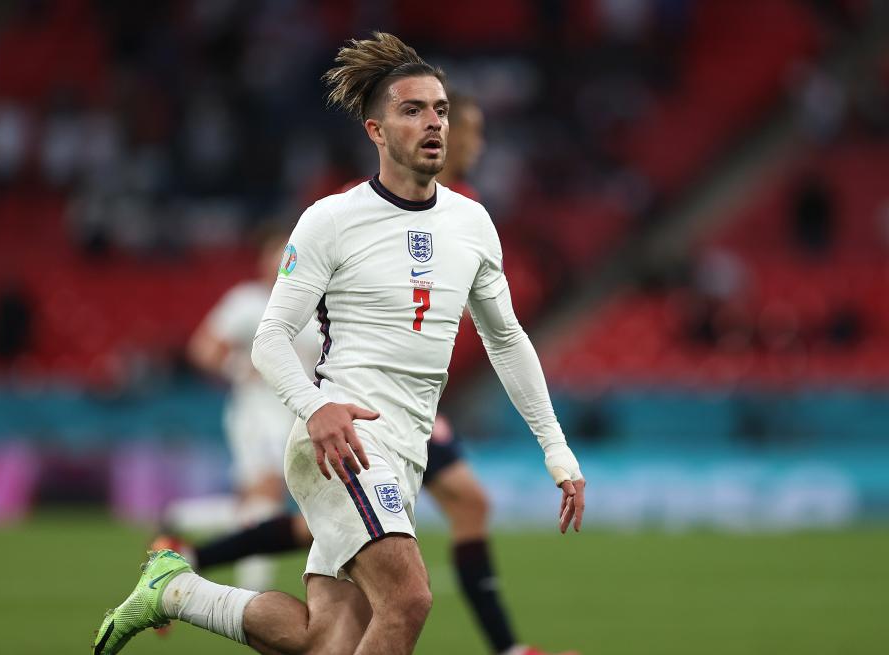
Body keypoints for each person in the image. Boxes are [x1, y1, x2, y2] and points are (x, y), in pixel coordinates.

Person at [93, 32, 585, 655]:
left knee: (323, 638)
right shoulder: (331, 219)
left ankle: (176, 591)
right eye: (412, 110)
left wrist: (557, 449)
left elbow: (507, 339)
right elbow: (269, 339)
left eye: (440, 109)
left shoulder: (473, 224)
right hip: (343, 441)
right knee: (407, 599)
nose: (434, 122)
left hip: (405, 453)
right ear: (376, 131)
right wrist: (314, 407)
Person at [159, 232, 320, 592]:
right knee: (266, 495)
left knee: (259, 505)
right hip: (257, 409)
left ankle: (179, 518)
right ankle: (253, 594)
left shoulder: (314, 308)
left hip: (298, 411)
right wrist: (238, 368)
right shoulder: (248, 302)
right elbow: (203, 349)